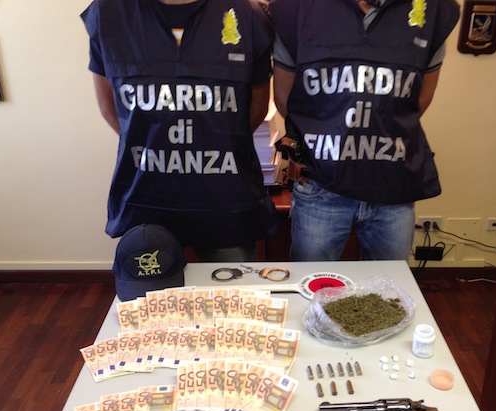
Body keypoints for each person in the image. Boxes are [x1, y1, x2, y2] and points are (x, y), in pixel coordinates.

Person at [81, 0, 278, 262]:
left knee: (232, 286)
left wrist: (213, 141)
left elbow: (256, 109)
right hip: (146, 199)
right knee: (151, 286)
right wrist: (158, 143)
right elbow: (111, 108)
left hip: (226, 203)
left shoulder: (249, 15)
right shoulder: (108, 13)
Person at [269, 0, 460, 261]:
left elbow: (418, 101)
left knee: (389, 283)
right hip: (321, 183)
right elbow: (285, 99)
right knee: (312, 280)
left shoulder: (434, 10)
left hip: (393, 184)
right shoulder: (296, 8)